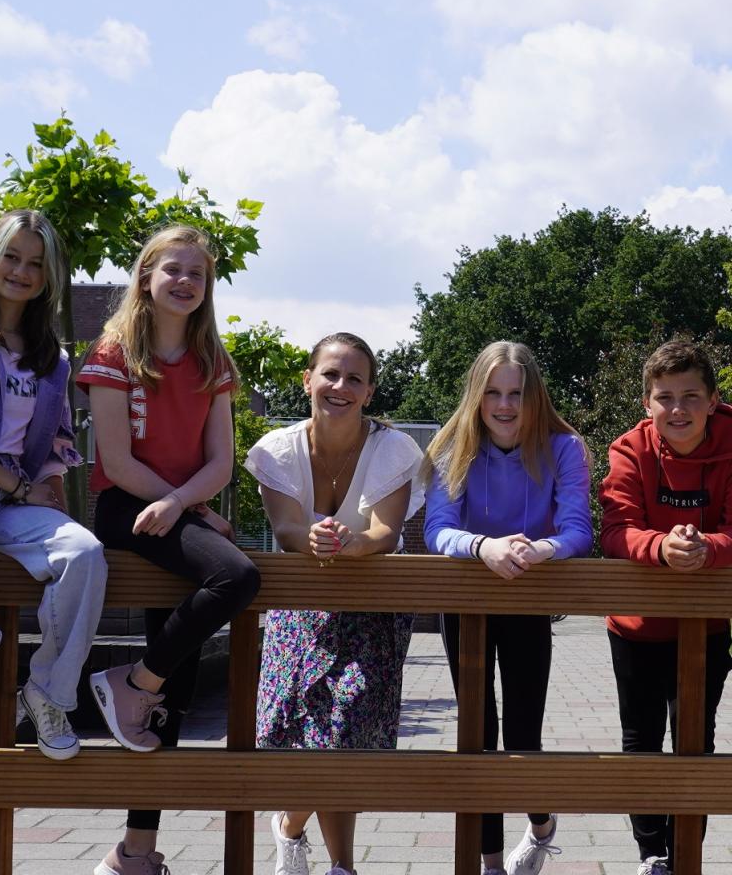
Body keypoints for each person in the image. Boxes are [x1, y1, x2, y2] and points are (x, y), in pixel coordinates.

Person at [77, 224, 261, 875]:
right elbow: (117, 462)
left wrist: (191, 506)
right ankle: (132, 679)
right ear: (147, 278)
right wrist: (184, 506)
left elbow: (221, 461)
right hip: (129, 505)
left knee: (171, 699)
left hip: (180, 505)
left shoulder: (214, 362)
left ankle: (135, 853)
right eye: (172, 270)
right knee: (237, 578)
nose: (185, 282)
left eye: (197, 274)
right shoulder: (115, 351)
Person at [244, 331, 424, 875]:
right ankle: (307, 838)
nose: (340, 386)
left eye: (354, 378)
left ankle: (320, 849)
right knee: (296, 732)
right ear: (308, 380)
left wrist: (353, 543)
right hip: (300, 605)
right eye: (330, 374)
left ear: (369, 392)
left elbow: (384, 532)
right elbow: (287, 527)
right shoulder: (277, 449)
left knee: (347, 729)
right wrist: (315, 541)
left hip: (369, 604)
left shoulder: (394, 450)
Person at [422, 341, 593, 875]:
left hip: (527, 597)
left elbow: (578, 530)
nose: (504, 405)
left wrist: (542, 549)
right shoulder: (452, 448)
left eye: (516, 393)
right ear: (476, 396)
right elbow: (437, 530)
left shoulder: (564, 448)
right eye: (493, 392)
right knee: (478, 733)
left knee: (523, 732)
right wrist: (482, 546)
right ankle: (491, 864)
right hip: (466, 606)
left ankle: (542, 824)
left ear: (533, 396)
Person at [0, 210, 106, 761]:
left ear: (50, 277)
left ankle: (47, 693)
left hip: (13, 502)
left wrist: (46, 488)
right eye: (11, 256)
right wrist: (17, 486)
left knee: (84, 552)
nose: (21, 271)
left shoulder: (53, 358)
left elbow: (56, 441)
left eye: (35, 264)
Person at [600, 341, 732, 875]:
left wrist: (708, 549)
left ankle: (687, 858)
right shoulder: (628, 449)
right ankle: (652, 854)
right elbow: (614, 530)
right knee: (641, 745)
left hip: (705, 626)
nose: (678, 410)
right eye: (665, 398)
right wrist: (661, 548)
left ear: (713, 399)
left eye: (691, 397)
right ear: (647, 403)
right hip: (636, 626)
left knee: (695, 743)